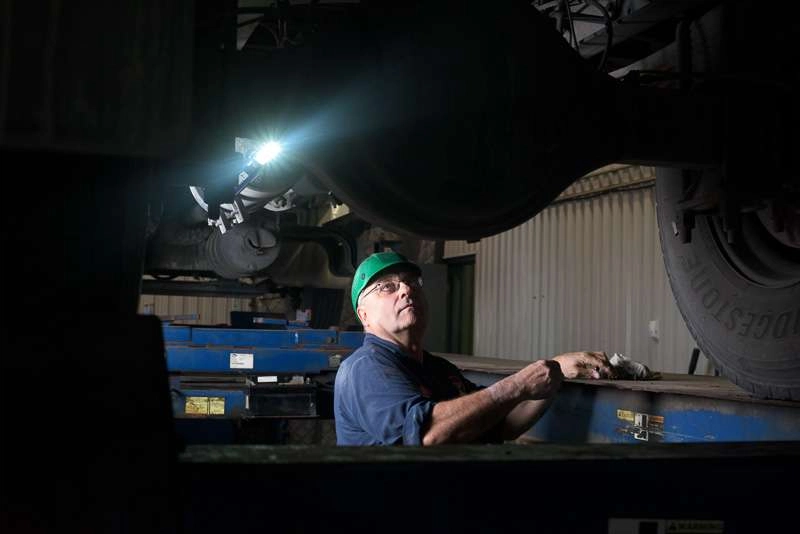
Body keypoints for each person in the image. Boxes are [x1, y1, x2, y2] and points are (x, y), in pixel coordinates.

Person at [334, 251, 613, 446]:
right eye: (387, 287)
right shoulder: (366, 368)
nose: (406, 290)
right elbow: (428, 433)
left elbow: (503, 424)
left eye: (411, 282)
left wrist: (554, 372)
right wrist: (518, 384)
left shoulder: (438, 370)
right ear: (364, 315)